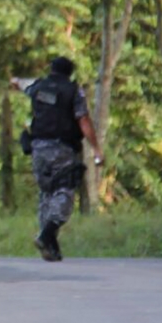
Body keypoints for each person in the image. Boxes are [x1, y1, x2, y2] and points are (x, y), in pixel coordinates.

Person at [12, 56, 104, 262]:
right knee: (64, 190)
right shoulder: (73, 91)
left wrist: (15, 81)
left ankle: (50, 246)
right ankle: (47, 233)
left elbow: (19, 83)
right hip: (62, 148)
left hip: (37, 148)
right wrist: (97, 149)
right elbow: (83, 120)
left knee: (46, 191)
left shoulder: (38, 86)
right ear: (69, 73)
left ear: (51, 69)